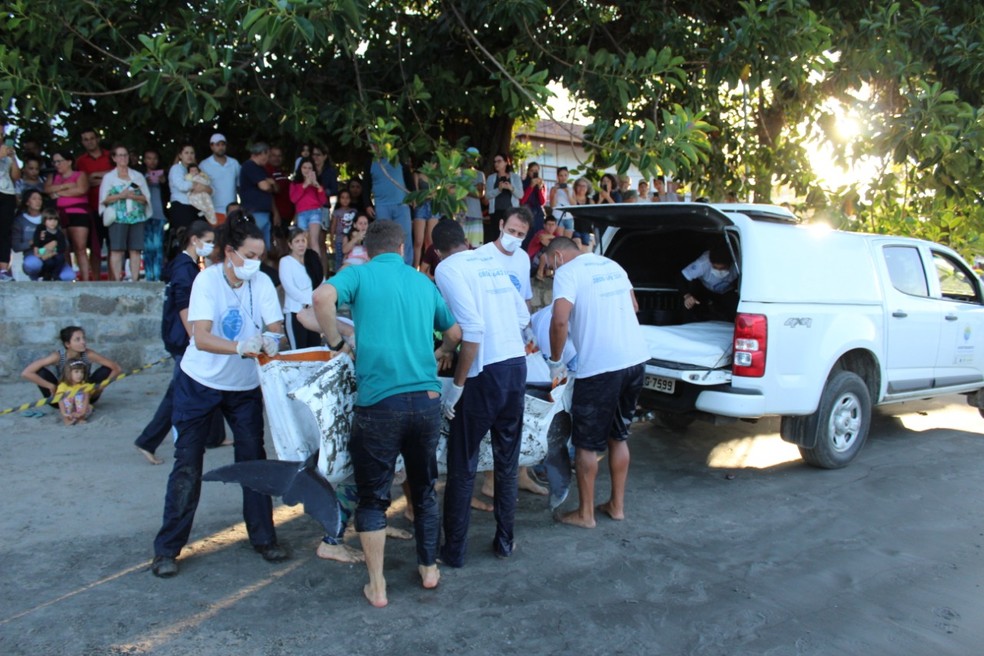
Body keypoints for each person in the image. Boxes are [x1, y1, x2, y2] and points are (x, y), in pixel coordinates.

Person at [312, 219, 462, 608]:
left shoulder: (358, 275)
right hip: (426, 402)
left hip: (380, 404)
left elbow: (321, 298)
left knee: (373, 497)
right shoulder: (421, 282)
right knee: (425, 490)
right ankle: (429, 569)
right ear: (401, 249)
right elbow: (456, 333)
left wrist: (336, 343)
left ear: (369, 248)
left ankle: (377, 587)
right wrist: (440, 353)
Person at [151, 211, 288, 578]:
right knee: (187, 464)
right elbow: (201, 336)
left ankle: (263, 538)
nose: (255, 263)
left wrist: (272, 341)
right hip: (199, 382)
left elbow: (276, 328)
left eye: (260, 257)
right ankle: (167, 549)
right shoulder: (206, 281)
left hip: (243, 389)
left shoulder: (260, 283)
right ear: (230, 252)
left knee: (253, 462)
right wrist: (241, 346)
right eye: (250, 255)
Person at [431, 219, 530, 567]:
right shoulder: (488, 261)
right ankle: (505, 542)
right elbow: (522, 315)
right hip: (516, 365)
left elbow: (470, 329)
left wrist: (457, 387)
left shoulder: (446, 268)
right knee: (507, 460)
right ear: (463, 241)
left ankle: (454, 551)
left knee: (463, 464)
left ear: (437, 250)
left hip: (484, 372)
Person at [543, 236, 649, 529]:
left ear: (558, 257)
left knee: (586, 443)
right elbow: (634, 305)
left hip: (600, 368)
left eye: (549, 265)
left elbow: (559, 320)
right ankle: (617, 506)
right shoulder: (612, 264)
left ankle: (585, 514)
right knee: (619, 435)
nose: (551, 271)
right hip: (635, 360)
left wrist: (555, 361)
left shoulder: (567, 271)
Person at [134, 220, 227, 465]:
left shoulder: (186, 265)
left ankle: (215, 436)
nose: (211, 246)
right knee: (178, 391)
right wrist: (197, 339)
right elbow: (184, 306)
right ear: (194, 240)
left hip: (185, 336)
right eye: (207, 242)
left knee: (211, 380)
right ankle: (148, 440)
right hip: (184, 337)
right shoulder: (184, 268)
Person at [21, 326, 122, 405]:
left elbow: (117, 368)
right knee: (40, 371)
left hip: (85, 397)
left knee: (106, 369)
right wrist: (50, 386)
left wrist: (101, 386)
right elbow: (26, 373)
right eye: (77, 340)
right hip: (61, 398)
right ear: (67, 344)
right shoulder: (58, 356)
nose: (83, 342)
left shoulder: (88, 354)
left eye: (83, 338)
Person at [98, 145, 152, 281]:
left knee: (135, 249)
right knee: (117, 249)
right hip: (117, 217)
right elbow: (104, 199)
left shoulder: (138, 176)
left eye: (125, 155)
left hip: (136, 216)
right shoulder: (109, 178)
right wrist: (121, 195)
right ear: (114, 158)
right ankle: (117, 280)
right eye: (120, 155)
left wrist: (133, 197)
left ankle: (135, 279)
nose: (123, 158)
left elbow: (146, 198)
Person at [45, 151, 90, 281]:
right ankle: (69, 279)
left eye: (60, 161)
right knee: (63, 248)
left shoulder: (80, 174)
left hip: (79, 214)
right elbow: (47, 190)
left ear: (69, 161)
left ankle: (86, 280)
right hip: (58, 215)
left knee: (80, 248)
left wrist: (58, 192)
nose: (57, 164)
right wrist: (67, 186)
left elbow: (81, 190)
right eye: (55, 162)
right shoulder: (52, 176)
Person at [364, 147, 414, 265]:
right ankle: (385, 266)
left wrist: (413, 196)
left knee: (405, 237)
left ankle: (406, 267)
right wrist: (367, 204)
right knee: (383, 238)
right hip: (382, 206)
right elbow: (366, 184)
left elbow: (408, 177)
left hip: (402, 205)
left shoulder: (398, 158)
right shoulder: (370, 162)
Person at [76, 129, 112, 280]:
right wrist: (106, 178)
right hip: (91, 207)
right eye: (85, 139)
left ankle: (113, 279)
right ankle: (96, 279)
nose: (89, 141)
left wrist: (95, 177)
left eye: (92, 138)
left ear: (97, 139)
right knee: (94, 247)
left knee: (113, 246)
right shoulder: (80, 161)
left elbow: (116, 177)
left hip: (111, 208)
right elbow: (83, 182)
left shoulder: (110, 156)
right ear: (82, 142)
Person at [279, 227, 321, 350]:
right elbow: (289, 287)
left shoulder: (311, 260)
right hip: (294, 312)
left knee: (315, 351)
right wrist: (309, 300)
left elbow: (319, 282)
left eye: (303, 241)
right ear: (290, 245)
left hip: (312, 313)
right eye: (297, 241)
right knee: (298, 352)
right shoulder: (285, 261)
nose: (301, 244)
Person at [679, 242, 739, 321]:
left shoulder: (739, 263)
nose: (718, 271)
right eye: (715, 267)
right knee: (692, 305)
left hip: (728, 291)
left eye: (722, 268)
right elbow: (681, 277)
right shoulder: (702, 264)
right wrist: (687, 295)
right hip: (704, 288)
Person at [168, 144, 211, 248]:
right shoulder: (176, 168)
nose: (189, 156)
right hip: (181, 206)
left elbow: (208, 186)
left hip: (194, 207)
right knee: (185, 239)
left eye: (192, 153)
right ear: (180, 155)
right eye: (186, 153)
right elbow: (181, 186)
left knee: (199, 238)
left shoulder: (196, 170)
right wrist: (196, 185)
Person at [289, 157, 328, 272]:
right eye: (304, 167)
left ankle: (317, 269)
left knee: (314, 240)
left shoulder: (317, 183)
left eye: (310, 168)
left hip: (315, 212)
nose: (307, 170)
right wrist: (305, 185)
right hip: (301, 214)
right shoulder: (295, 184)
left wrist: (317, 186)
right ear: (300, 169)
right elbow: (293, 199)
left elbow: (323, 200)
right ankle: (306, 268)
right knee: (304, 241)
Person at [239, 142, 278, 249]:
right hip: (254, 212)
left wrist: (271, 183)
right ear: (261, 153)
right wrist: (270, 183)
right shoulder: (249, 166)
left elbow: (274, 188)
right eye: (268, 155)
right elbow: (265, 186)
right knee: (257, 245)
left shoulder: (262, 169)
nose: (268, 158)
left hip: (263, 212)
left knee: (265, 246)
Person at [198, 133, 240, 225]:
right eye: (217, 145)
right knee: (217, 238)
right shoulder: (204, 165)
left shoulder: (234, 163)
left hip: (233, 211)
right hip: (213, 211)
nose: (221, 147)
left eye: (223, 144)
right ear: (211, 146)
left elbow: (239, 186)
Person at [140, 149, 169, 282]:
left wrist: (163, 183)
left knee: (157, 247)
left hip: (159, 215)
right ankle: (148, 277)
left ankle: (157, 277)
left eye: (154, 158)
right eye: (149, 158)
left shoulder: (163, 176)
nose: (152, 161)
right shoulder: (138, 176)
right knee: (147, 248)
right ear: (144, 160)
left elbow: (168, 196)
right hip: (143, 216)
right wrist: (144, 182)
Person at [24, 208, 74, 281]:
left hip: (54, 253)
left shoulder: (59, 233)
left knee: (60, 259)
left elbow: (62, 246)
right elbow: (36, 241)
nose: (53, 222)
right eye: (50, 220)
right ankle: (44, 276)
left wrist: (52, 252)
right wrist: (38, 251)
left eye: (55, 220)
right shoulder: (40, 229)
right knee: (48, 262)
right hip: (42, 252)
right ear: (44, 221)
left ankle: (55, 276)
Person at [485, 153, 522, 246]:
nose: (496, 164)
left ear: (506, 162)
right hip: (495, 212)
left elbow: (521, 195)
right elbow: (487, 195)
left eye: (499, 161)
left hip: (511, 212)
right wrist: (499, 189)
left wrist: (511, 188)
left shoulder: (515, 177)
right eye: (495, 162)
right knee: (496, 237)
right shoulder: (491, 178)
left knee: (510, 236)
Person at [0, 127, 23, 281]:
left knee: (4, 232)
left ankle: (2, 271)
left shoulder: (5, 150)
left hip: (7, 193)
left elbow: (15, 176)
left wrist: (13, 157)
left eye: (1, 133)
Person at [461, 148, 486, 248]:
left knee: (476, 248)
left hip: (476, 215)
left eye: (474, 157)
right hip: (460, 216)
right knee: (459, 247)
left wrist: (463, 189)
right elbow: (452, 191)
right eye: (469, 156)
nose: (471, 159)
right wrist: (473, 188)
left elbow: (480, 193)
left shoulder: (480, 174)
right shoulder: (457, 172)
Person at [329, 188, 357, 274]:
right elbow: (333, 225)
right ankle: (338, 276)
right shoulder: (337, 212)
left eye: (347, 197)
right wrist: (331, 238)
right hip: (339, 240)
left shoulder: (354, 211)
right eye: (342, 197)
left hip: (351, 241)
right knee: (339, 260)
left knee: (350, 259)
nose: (345, 200)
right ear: (339, 199)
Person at [58, 360, 94, 425]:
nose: (80, 375)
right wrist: (64, 413)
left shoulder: (84, 385)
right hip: (68, 409)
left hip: (82, 409)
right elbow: (60, 400)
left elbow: (86, 399)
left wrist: (82, 413)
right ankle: (67, 419)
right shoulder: (63, 385)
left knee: (79, 395)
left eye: (82, 372)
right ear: (68, 372)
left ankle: (81, 418)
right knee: (68, 396)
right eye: (76, 372)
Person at [520, 161, 546, 249]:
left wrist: (539, 188)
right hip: (526, 214)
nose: (534, 172)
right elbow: (522, 200)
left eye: (536, 171)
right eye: (532, 170)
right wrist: (531, 186)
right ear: (528, 171)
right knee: (526, 240)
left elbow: (542, 202)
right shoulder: (523, 183)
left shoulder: (541, 184)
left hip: (538, 215)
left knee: (537, 240)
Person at [549, 166, 575, 238]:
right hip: (558, 216)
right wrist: (555, 193)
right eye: (561, 175)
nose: (563, 178)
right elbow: (552, 206)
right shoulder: (553, 189)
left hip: (569, 217)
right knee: (559, 239)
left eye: (565, 175)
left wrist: (567, 193)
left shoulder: (571, 189)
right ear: (557, 176)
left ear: (568, 175)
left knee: (567, 240)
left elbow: (574, 204)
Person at [531, 215, 559, 280]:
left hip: (545, 260)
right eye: (549, 224)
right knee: (547, 252)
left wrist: (554, 237)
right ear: (544, 225)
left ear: (556, 226)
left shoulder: (556, 235)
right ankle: (540, 272)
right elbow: (544, 241)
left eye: (553, 225)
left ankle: (551, 272)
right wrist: (554, 238)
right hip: (533, 261)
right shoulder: (540, 232)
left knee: (557, 254)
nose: (551, 227)